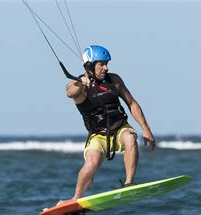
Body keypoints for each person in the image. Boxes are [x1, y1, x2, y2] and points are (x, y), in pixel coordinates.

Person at [57, 45, 155, 206]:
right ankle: (75, 198)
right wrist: (81, 83)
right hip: (98, 135)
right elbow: (70, 92)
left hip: (120, 128)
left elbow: (132, 103)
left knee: (130, 138)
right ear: (90, 65)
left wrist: (146, 129)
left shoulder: (114, 80)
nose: (106, 67)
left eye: (107, 63)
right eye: (101, 64)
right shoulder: (79, 88)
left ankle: (129, 183)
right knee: (91, 164)